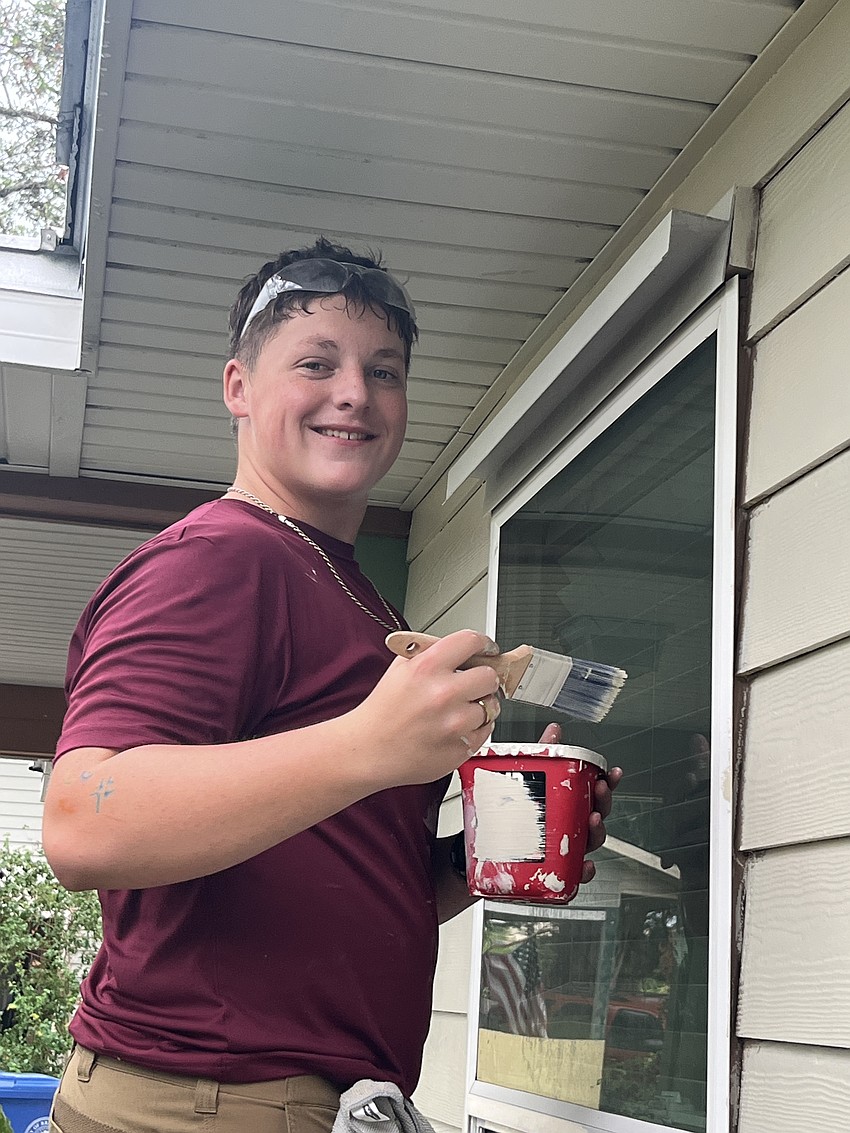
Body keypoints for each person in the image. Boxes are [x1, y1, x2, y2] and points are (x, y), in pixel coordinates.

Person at [42, 237, 622, 1133]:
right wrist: (366, 745)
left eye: (383, 371)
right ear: (237, 387)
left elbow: (358, 880)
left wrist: (490, 847)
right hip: (201, 1102)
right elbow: (81, 824)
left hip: (314, 1100)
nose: (355, 391)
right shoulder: (220, 558)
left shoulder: (346, 589)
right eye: (317, 362)